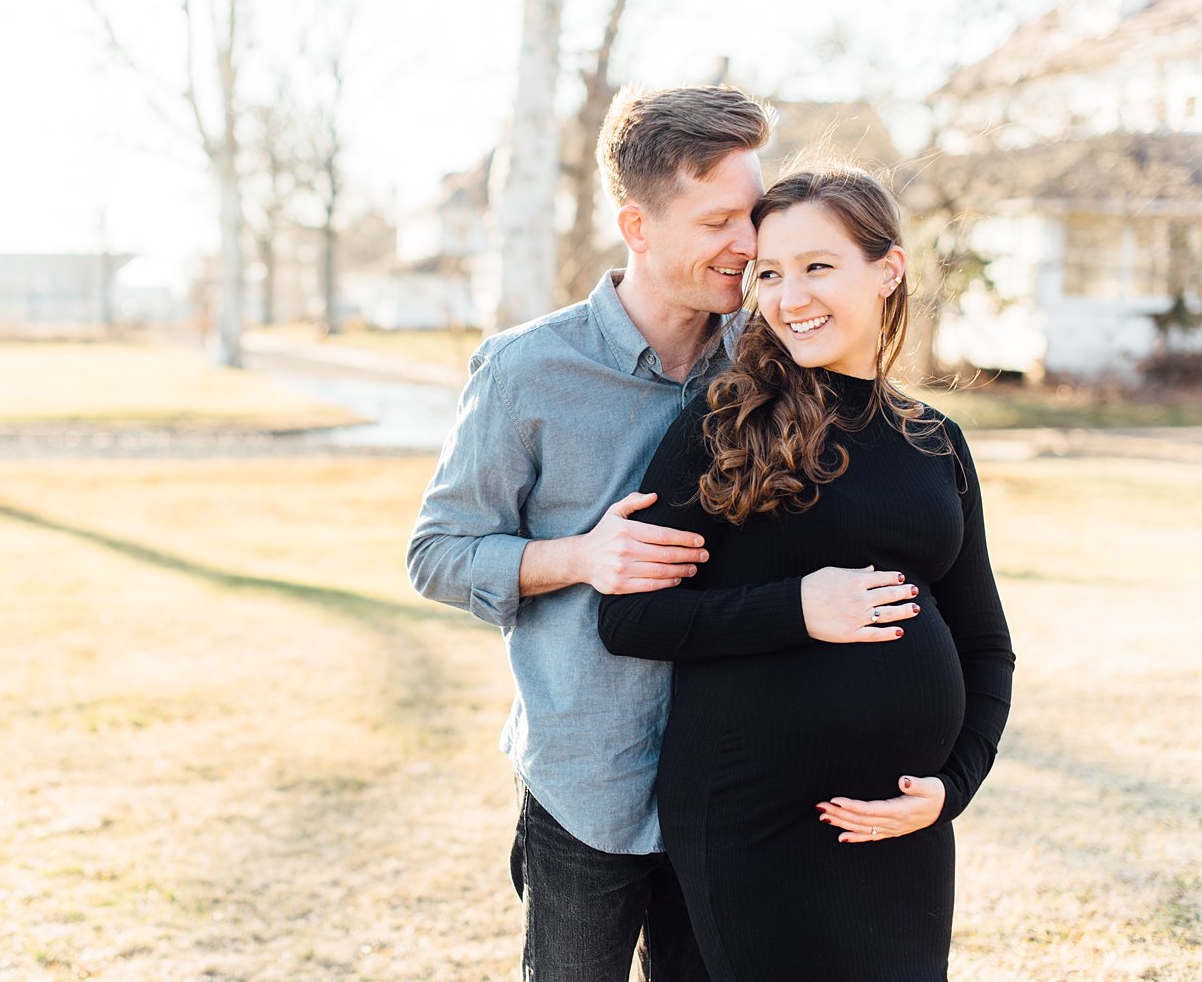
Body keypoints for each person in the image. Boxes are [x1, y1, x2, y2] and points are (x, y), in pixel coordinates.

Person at [406, 88, 916, 980]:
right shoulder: (527, 370)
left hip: (736, 785)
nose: (749, 245)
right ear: (636, 226)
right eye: (718, 220)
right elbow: (436, 553)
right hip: (587, 783)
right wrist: (577, 556)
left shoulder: (771, 358)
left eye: (749, 216)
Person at [597, 166, 1016, 981]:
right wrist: (798, 609)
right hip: (753, 822)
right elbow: (631, 619)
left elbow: (985, 642)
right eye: (771, 273)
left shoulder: (936, 440)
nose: (790, 297)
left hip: (902, 835)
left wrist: (951, 787)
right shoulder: (726, 420)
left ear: (888, 268)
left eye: (817, 266)